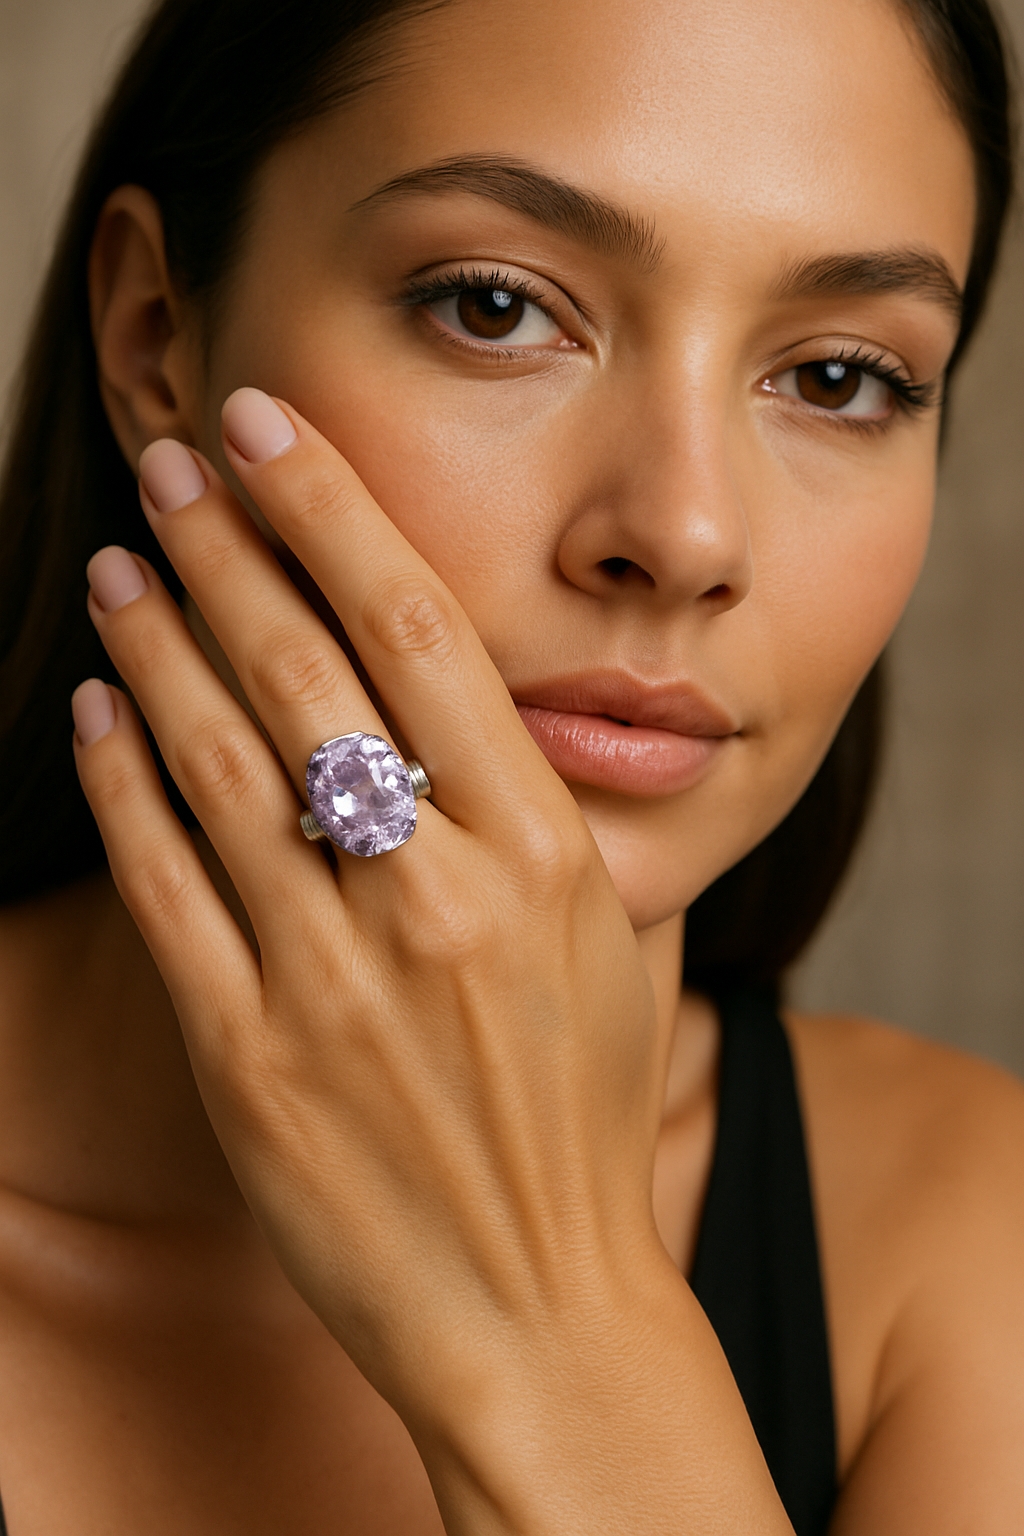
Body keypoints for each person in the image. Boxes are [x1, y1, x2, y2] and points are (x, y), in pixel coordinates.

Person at [0, 0, 1020, 1530]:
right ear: (157, 332)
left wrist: (559, 1339)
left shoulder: (976, 1241)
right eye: (493, 306)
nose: (685, 536)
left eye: (836, 378)